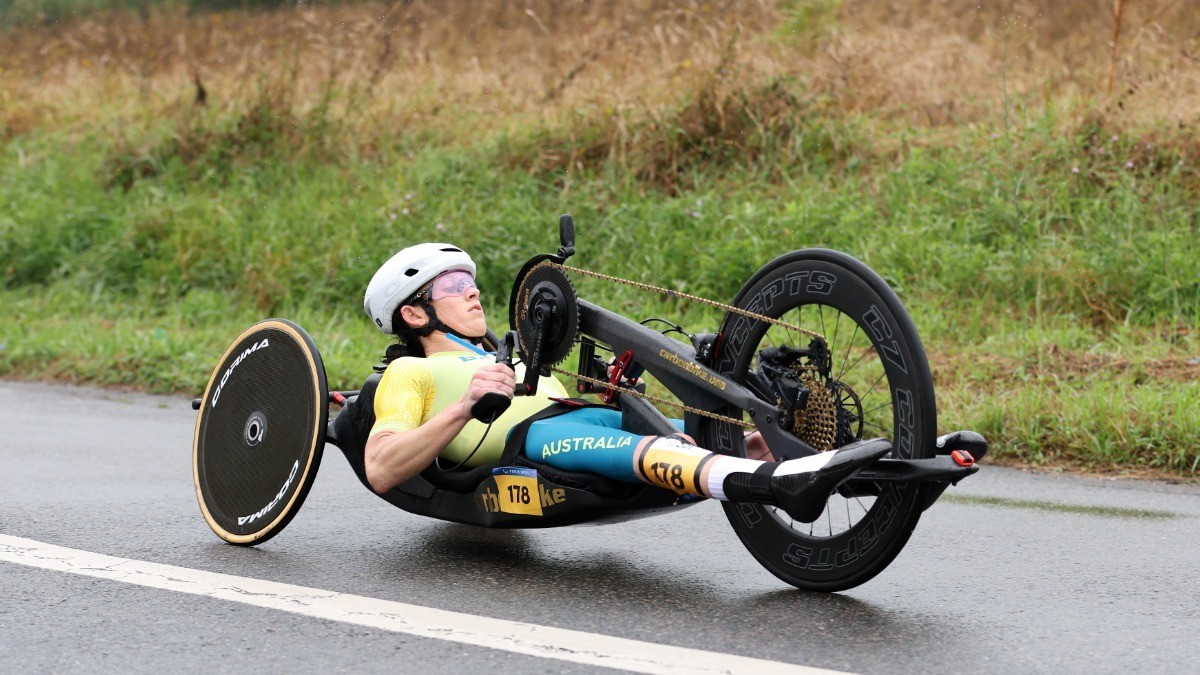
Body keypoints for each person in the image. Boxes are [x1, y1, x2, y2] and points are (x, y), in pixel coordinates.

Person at [360, 243, 889, 523]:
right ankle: (781, 489)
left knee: (737, 438)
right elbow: (381, 468)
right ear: (412, 314)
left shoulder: (514, 356)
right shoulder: (413, 372)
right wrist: (464, 407)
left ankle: (886, 471)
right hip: (536, 443)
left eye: (472, 281)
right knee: (643, 447)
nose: (472, 293)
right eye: (454, 285)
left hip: (585, 418)